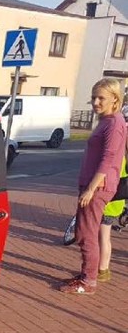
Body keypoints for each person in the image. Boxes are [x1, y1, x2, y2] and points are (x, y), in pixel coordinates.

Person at [59, 78, 127, 294]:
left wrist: (90, 189)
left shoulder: (115, 123)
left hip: (98, 187)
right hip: (91, 185)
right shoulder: (106, 120)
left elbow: (108, 159)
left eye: (101, 98)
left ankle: (89, 281)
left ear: (115, 99)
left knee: (88, 233)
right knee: (83, 232)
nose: (96, 102)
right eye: (93, 97)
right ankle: (86, 273)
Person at [98, 160, 127, 283]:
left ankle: (102, 269)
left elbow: (108, 176)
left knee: (103, 238)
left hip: (108, 203)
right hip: (118, 203)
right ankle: (104, 268)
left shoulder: (119, 158)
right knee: (105, 237)